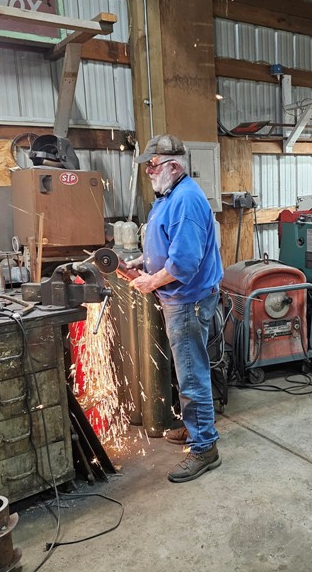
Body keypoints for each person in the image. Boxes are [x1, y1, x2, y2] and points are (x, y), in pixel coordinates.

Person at [126, 134, 224, 482]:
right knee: (188, 370)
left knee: (191, 373)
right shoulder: (167, 196)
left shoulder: (185, 200)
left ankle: (204, 448)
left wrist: (151, 282)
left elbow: (184, 263)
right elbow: (167, 244)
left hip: (188, 301)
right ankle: (196, 426)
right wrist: (142, 260)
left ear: (173, 166)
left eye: (153, 165)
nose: (148, 172)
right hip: (178, 299)